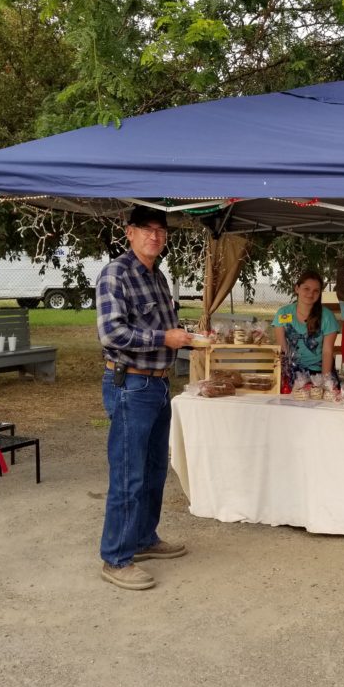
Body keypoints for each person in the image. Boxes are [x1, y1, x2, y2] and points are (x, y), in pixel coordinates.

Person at [96, 205, 194, 591]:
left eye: (160, 230)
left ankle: (144, 539)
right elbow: (111, 334)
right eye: (146, 229)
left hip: (157, 383)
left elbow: (166, 326)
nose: (155, 236)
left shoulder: (159, 278)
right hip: (129, 385)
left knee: (154, 469)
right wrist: (163, 339)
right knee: (128, 473)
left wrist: (186, 337)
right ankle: (116, 558)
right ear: (129, 232)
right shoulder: (115, 274)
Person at [272, 270, 340, 381]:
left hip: (319, 372)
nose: (310, 294)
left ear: (320, 293)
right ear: (297, 288)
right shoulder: (283, 313)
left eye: (316, 291)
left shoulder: (327, 316)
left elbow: (327, 352)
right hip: (291, 371)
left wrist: (324, 381)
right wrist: (285, 376)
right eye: (306, 289)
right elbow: (282, 349)